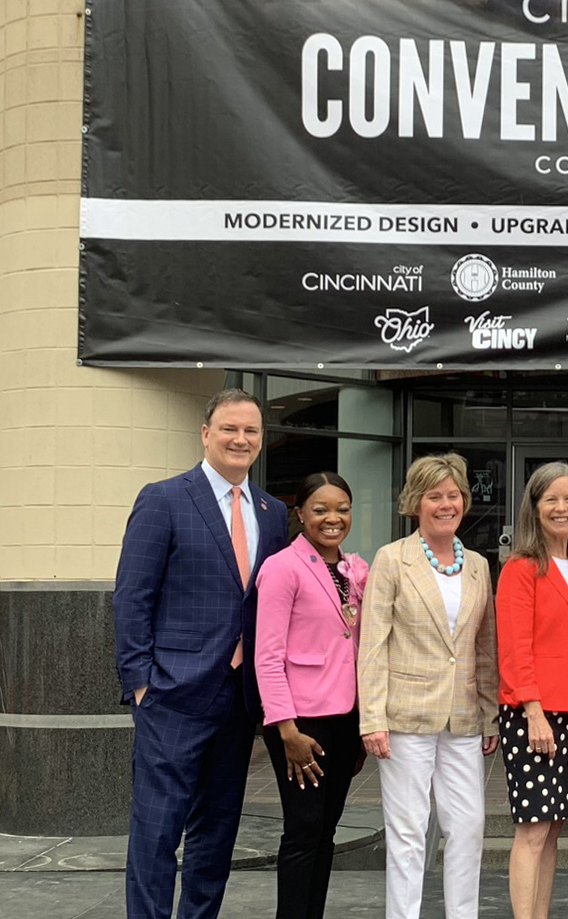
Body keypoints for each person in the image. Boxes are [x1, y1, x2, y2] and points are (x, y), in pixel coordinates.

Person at [114, 387, 289, 919]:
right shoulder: (164, 498)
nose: (241, 439)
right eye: (230, 428)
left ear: (261, 440)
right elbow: (132, 595)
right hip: (170, 695)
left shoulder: (273, 512)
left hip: (237, 702)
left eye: (251, 431)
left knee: (216, 833)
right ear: (206, 433)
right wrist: (140, 681)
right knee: (156, 832)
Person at [358, 454, 500, 919]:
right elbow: (373, 645)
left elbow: (484, 647)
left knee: (469, 825)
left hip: (462, 717)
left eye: (453, 495)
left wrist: (488, 711)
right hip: (404, 717)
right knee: (407, 830)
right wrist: (372, 717)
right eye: (434, 495)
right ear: (415, 503)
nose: (446, 504)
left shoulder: (478, 564)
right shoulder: (392, 559)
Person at [253, 471, 368, 919]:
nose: (332, 518)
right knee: (301, 832)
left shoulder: (354, 569)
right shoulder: (282, 567)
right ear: (300, 514)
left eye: (342, 508)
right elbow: (267, 656)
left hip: (346, 719)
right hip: (301, 725)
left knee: (325, 833)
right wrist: (286, 730)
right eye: (320, 509)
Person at [496, 461, 568, 919]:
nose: (561, 507)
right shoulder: (520, 568)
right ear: (534, 508)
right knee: (533, 829)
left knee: (553, 829)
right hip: (535, 713)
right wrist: (533, 711)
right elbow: (515, 648)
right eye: (551, 499)